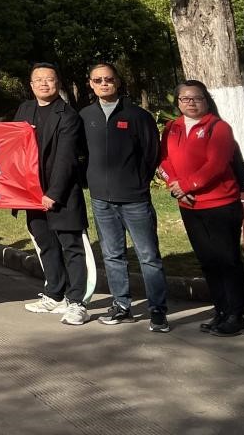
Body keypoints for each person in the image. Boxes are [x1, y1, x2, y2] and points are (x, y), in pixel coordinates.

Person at [80, 63, 169, 333]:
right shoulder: (85, 116)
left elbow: (152, 153)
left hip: (135, 199)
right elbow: (80, 153)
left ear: (117, 81)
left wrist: (138, 181)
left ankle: (158, 311)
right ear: (91, 84)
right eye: (98, 80)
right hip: (101, 200)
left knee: (148, 256)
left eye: (108, 79)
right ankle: (121, 306)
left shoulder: (138, 115)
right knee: (112, 255)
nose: (103, 83)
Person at [159, 80, 244, 336]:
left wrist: (187, 185)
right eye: (184, 98)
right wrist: (175, 186)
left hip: (220, 205)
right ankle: (221, 311)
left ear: (206, 100)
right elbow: (163, 160)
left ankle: (236, 315)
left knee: (227, 260)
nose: (190, 102)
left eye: (196, 98)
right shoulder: (172, 128)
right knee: (208, 261)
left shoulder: (218, 128)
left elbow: (216, 165)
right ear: (178, 102)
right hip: (189, 206)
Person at [18, 63, 90, 326]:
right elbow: (12, 147)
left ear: (57, 83)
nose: (44, 83)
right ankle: (54, 293)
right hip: (31, 194)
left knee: (71, 247)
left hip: (61, 195)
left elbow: (66, 158)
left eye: (49, 79)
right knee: (46, 245)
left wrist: (53, 193)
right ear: (31, 85)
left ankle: (77, 301)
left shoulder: (68, 115)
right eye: (38, 79)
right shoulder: (25, 110)